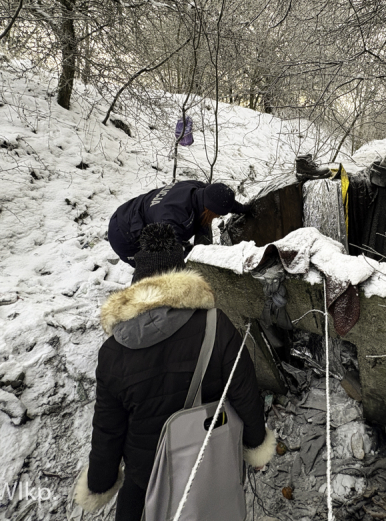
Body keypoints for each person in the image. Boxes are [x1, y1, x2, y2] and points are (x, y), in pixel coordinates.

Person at [74, 223, 276, 520]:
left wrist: (100, 483)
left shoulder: (113, 352)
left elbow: (108, 428)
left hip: (146, 474)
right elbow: (244, 392)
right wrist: (255, 442)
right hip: (209, 460)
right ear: (182, 280)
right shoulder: (215, 325)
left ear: (137, 286)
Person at [108, 180, 250, 266]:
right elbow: (173, 256)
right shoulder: (172, 219)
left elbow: (222, 200)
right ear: (209, 210)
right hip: (124, 235)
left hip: (130, 210)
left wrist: (245, 209)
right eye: (218, 215)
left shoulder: (199, 189)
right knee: (156, 268)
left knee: (202, 229)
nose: (218, 217)